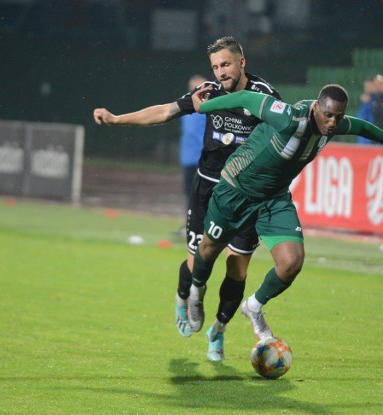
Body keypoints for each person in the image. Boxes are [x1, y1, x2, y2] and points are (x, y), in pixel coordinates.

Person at [185, 84, 383, 341]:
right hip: (236, 189)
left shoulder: (332, 125)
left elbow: (362, 126)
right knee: (209, 249)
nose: (334, 122)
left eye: (339, 116)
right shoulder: (288, 117)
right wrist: (204, 106)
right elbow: (247, 97)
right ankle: (196, 292)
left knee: (292, 263)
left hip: (273, 198)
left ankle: (253, 306)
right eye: (329, 115)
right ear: (316, 107)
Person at [93, 36, 281, 361]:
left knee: (237, 269)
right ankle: (187, 295)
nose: (221, 72)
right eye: (216, 66)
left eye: (226, 64)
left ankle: (218, 333)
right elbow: (165, 111)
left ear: (242, 62)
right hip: (208, 189)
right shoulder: (207, 92)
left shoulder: (266, 98)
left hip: (246, 196)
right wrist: (116, 118)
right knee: (197, 262)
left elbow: (288, 133)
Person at [179, 74, 207, 210]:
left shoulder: (209, 107)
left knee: (204, 194)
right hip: (188, 157)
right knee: (189, 192)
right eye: (194, 88)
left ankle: (205, 226)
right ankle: (189, 224)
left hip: (204, 158)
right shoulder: (185, 107)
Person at [355, 75, 376, 145]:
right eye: (365, 86)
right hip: (364, 140)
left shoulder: (378, 101)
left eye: (369, 86)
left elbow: (372, 120)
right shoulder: (365, 101)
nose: (366, 89)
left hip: (374, 139)